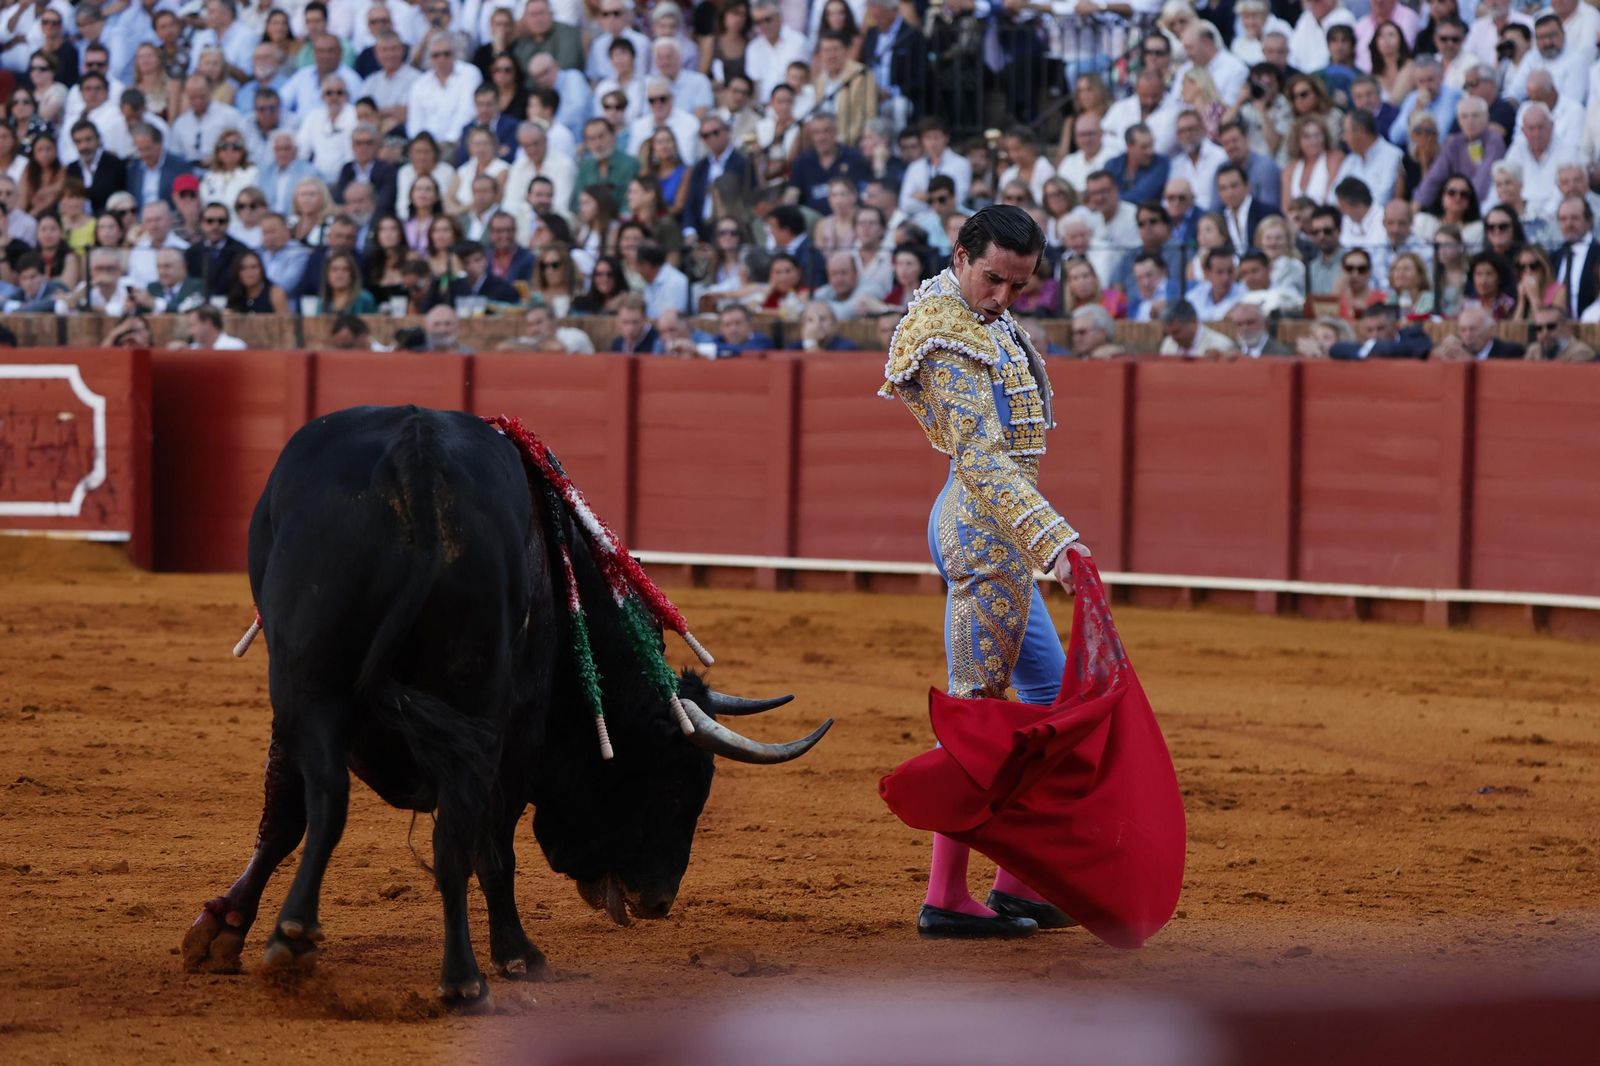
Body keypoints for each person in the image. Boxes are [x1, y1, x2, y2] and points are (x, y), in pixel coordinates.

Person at [880, 204, 1089, 940]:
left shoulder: (980, 318)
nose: (1003, 297)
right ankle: (945, 897)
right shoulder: (943, 331)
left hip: (996, 529)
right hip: (982, 532)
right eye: (994, 279)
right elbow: (980, 458)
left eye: (1019, 286)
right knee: (978, 716)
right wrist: (1054, 540)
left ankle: (1017, 882)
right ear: (962, 254)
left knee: (1045, 699)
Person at [1160, 299, 1238, 358]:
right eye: (1169, 334)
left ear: (1193, 321)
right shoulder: (1168, 344)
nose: (1173, 338)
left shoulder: (1221, 346)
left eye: (1176, 332)